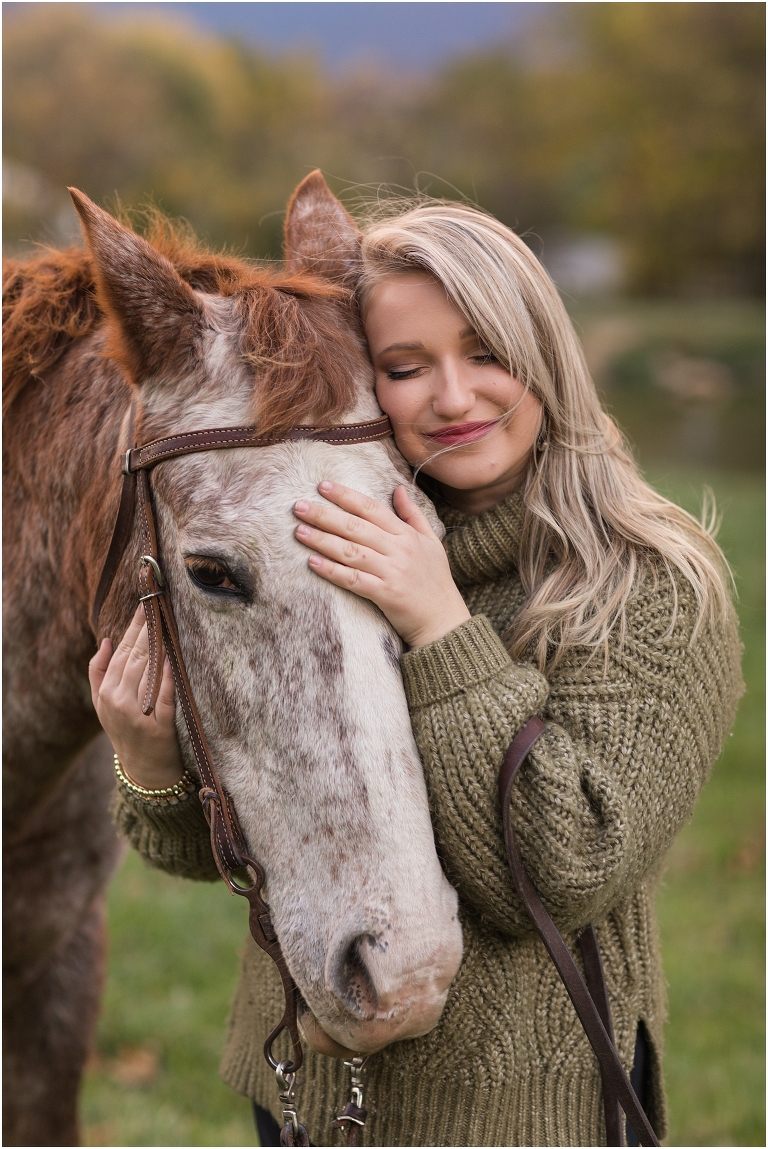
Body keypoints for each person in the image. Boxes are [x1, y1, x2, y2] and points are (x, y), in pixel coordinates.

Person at [90, 198, 743, 1147]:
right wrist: (151, 767)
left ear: (549, 355)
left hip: (524, 1114)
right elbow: (249, 845)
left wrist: (440, 625)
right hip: (308, 1091)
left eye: (488, 353)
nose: (453, 397)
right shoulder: (327, 538)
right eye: (405, 366)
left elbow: (565, 872)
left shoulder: (646, 587)